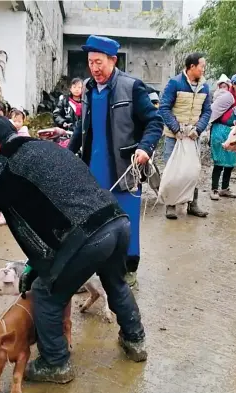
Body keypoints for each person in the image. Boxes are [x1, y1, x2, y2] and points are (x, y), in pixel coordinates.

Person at [0, 116, 147, 384]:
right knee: (116, 282)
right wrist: (36, 263)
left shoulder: (5, 164)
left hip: (86, 235)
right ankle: (135, 341)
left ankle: (55, 363)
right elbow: (50, 207)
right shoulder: (45, 147)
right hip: (116, 221)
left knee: (47, 295)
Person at [69, 35, 163, 288]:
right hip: (93, 167)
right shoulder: (88, 89)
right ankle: (89, 272)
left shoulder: (132, 87)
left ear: (113, 60)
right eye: (90, 62)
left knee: (126, 221)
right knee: (92, 221)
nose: (94, 68)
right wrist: (69, 152)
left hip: (123, 169)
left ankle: (129, 268)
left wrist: (145, 148)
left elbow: (154, 122)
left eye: (99, 62)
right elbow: (82, 126)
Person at [159, 52, 212, 220]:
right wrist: (176, 129)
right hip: (173, 136)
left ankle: (192, 203)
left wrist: (198, 128)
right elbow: (164, 107)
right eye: (202, 66)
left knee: (192, 170)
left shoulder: (205, 87)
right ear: (192, 67)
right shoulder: (175, 83)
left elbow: (207, 111)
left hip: (192, 136)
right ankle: (171, 205)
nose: (204, 69)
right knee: (173, 170)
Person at [209, 73, 236, 200]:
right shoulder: (226, 97)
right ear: (233, 84)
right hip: (220, 130)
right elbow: (213, 112)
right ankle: (214, 189)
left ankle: (225, 188)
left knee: (231, 161)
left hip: (234, 131)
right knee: (219, 161)